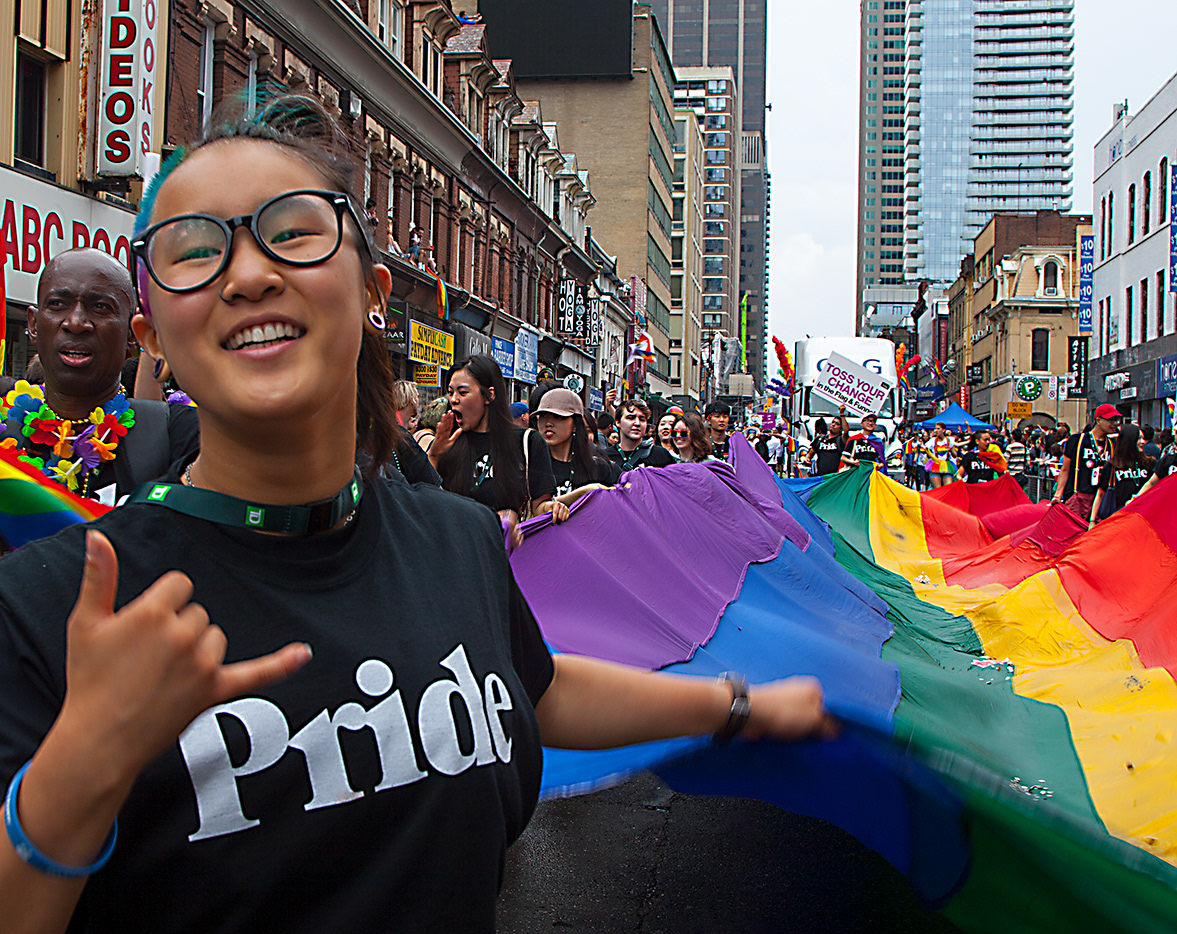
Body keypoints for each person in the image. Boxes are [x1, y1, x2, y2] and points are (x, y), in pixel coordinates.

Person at [0, 97, 836, 933]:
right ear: (152, 334)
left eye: (292, 233)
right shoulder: (51, 607)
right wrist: (83, 767)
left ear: (372, 291)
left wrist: (737, 706)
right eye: (195, 251)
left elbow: (539, 688)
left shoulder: (455, 539)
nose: (248, 275)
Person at [0, 248, 199, 508]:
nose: (76, 323)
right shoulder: (5, 431)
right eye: (57, 304)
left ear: (132, 334)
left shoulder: (183, 435)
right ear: (33, 324)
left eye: (100, 307)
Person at [429, 354, 557, 526]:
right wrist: (434, 455)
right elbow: (425, 500)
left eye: (463, 392)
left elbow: (539, 507)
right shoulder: (447, 444)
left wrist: (552, 508)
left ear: (489, 395)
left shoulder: (527, 442)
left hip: (506, 543)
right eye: (451, 393)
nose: (454, 400)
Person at [533, 388, 619, 504]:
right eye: (543, 416)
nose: (548, 423)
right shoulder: (528, 464)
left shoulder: (598, 467)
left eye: (558, 416)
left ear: (575, 423)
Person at [1052, 404, 1120, 517]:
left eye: (1116, 420)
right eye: (1110, 420)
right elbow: (1065, 469)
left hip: (1101, 499)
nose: (1115, 424)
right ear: (1098, 420)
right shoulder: (1077, 440)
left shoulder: (1113, 444)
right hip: (1077, 497)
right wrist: (1058, 495)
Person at [1090, 423, 1153, 526]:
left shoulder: (1149, 463)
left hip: (1143, 517)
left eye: (1143, 438)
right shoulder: (1112, 466)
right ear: (1129, 440)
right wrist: (1092, 521)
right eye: (1138, 439)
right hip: (1118, 519)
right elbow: (1100, 493)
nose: (1142, 442)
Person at [607, 399, 677, 471]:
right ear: (618, 422)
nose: (637, 423)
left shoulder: (661, 455)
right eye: (630, 418)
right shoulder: (605, 456)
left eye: (642, 419)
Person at [808, 412, 846, 477]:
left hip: (835, 477)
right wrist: (807, 458)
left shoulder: (841, 440)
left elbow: (846, 431)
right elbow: (810, 454)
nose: (833, 424)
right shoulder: (820, 439)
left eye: (837, 424)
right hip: (820, 476)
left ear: (841, 429)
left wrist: (842, 414)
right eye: (833, 422)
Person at [925, 422, 955, 488]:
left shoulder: (949, 440)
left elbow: (955, 455)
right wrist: (930, 455)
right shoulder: (932, 441)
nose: (936, 430)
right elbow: (926, 450)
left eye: (938, 429)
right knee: (937, 488)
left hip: (946, 465)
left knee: (948, 487)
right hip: (935, 465)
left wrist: (950, 450)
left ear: (943, 430)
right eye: (935, 429)